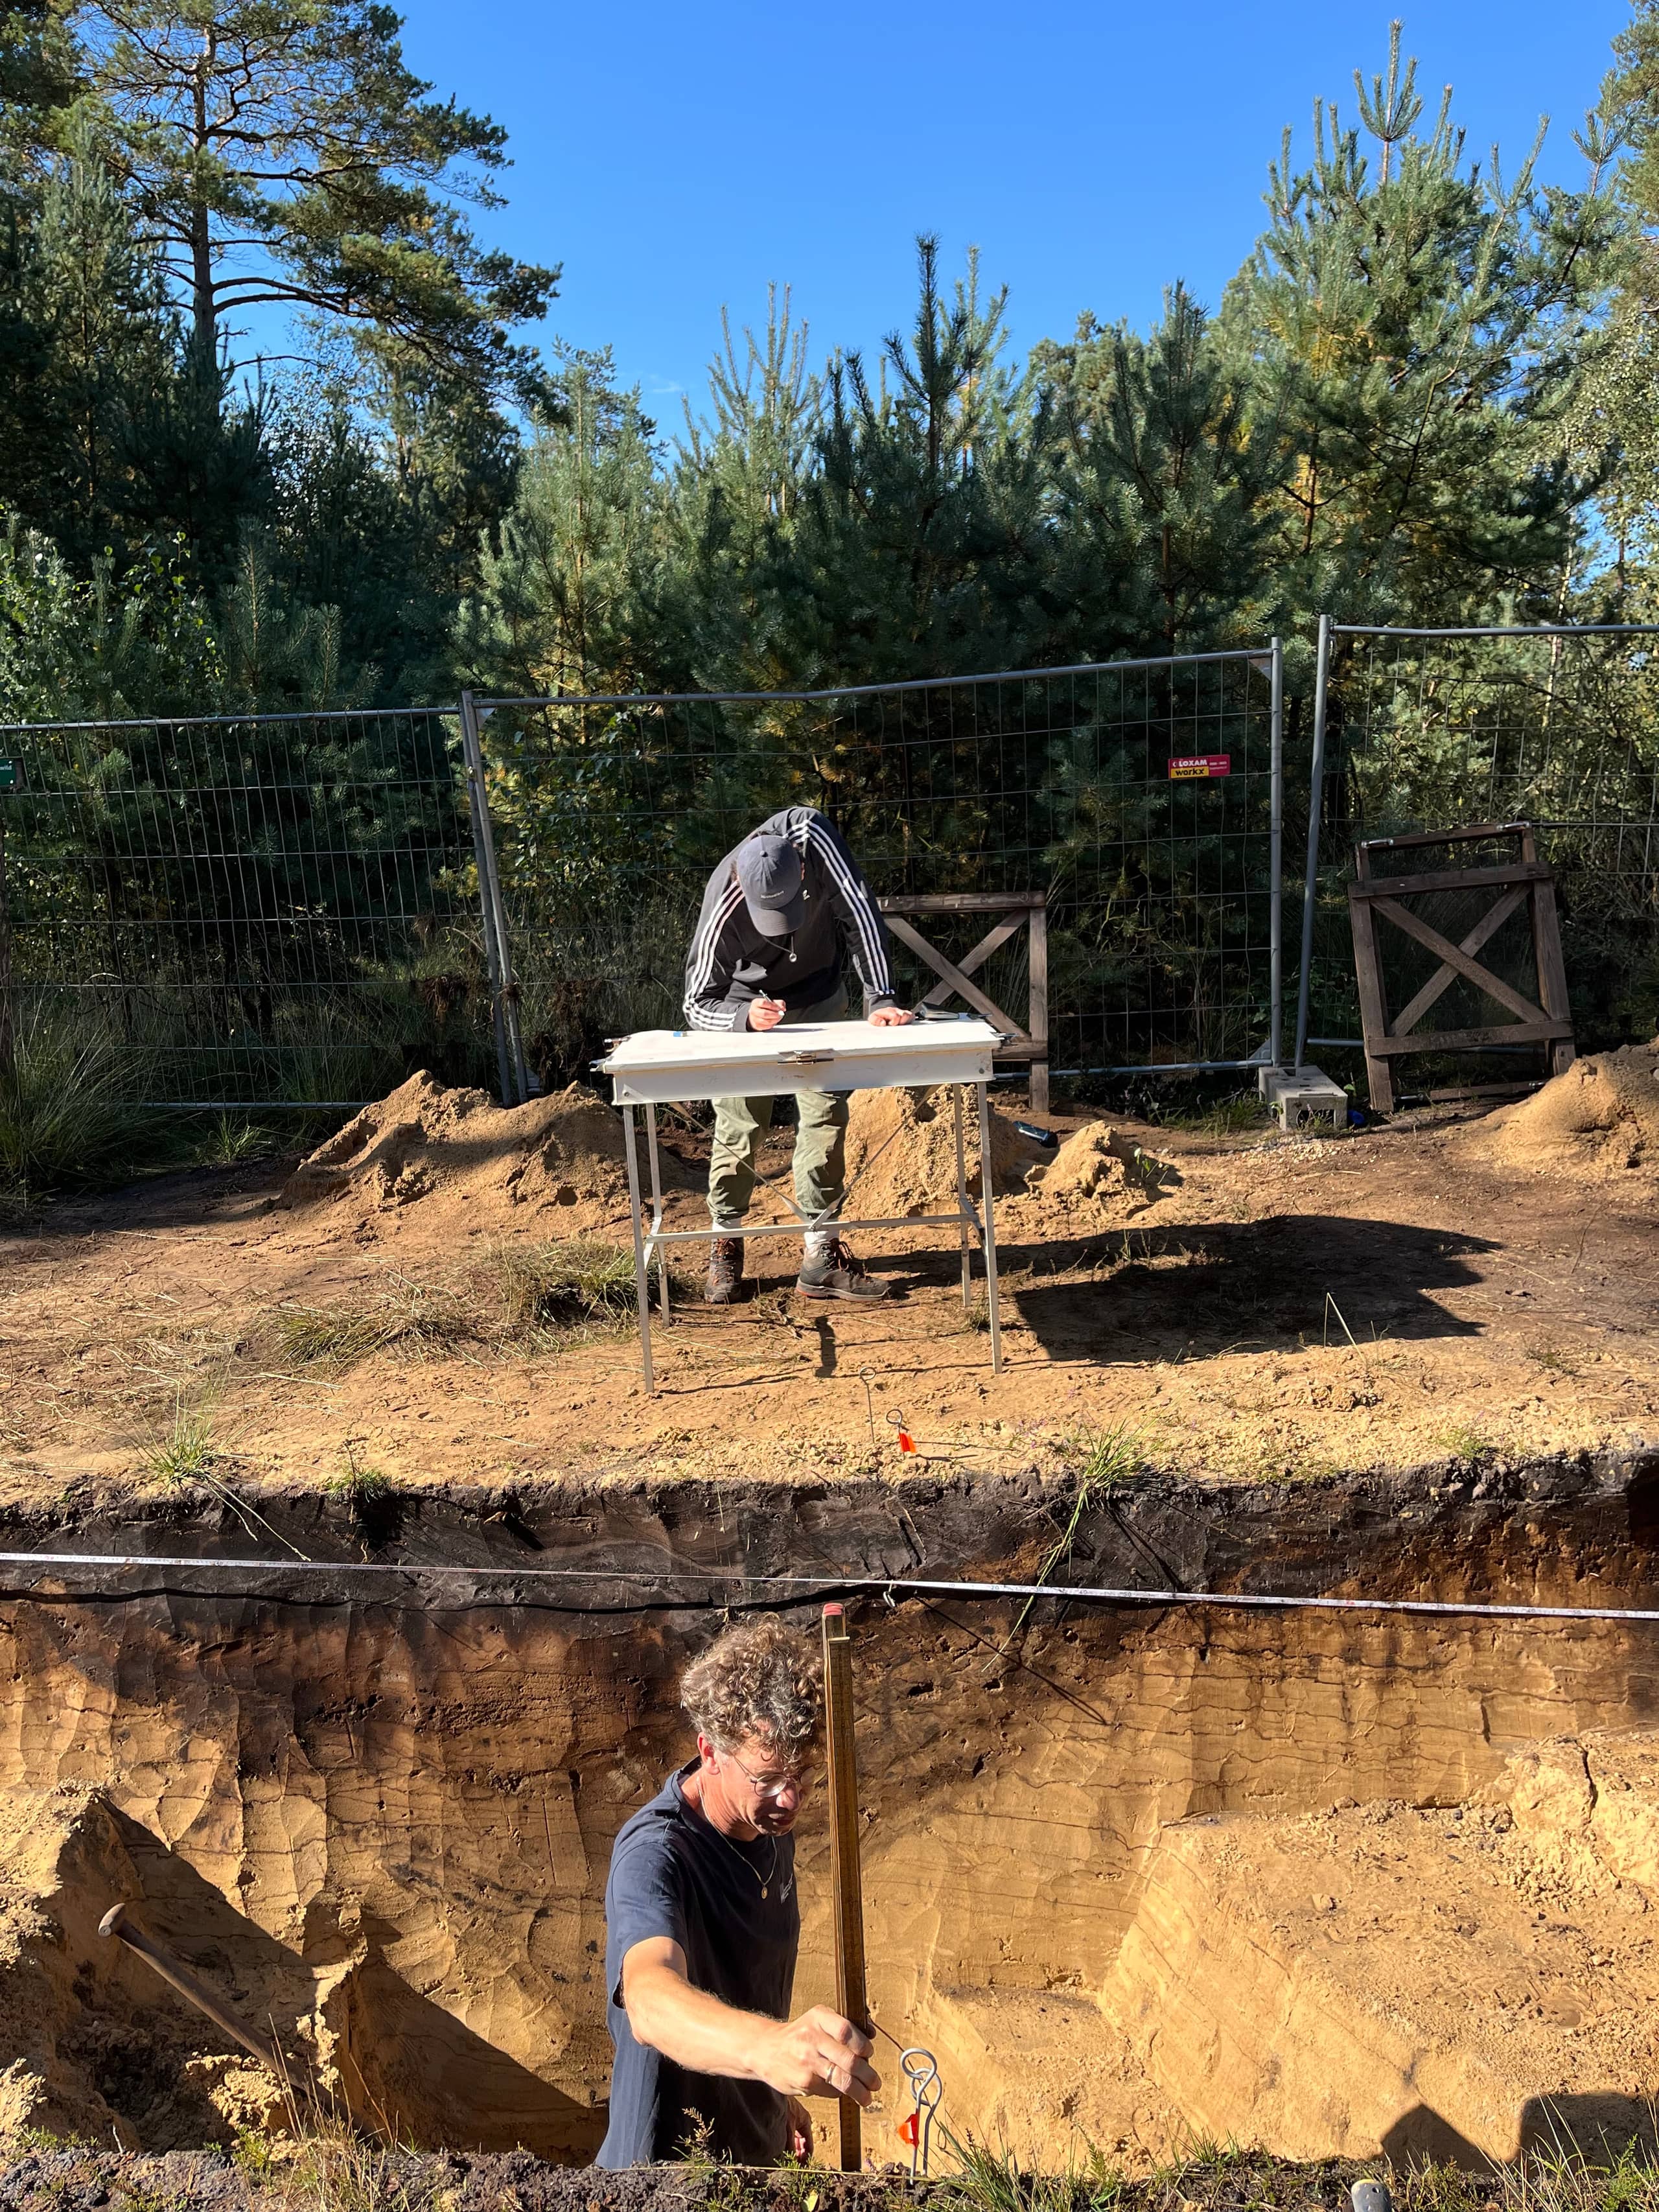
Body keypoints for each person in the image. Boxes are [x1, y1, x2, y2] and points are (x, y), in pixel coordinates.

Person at [596, 1616, 879, 2168]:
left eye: (801, 1775)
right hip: (665, 2178)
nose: (791, 1800)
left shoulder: (772, 1829)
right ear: (710, 1751)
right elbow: (651, 1998)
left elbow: (745, 1987)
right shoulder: (655, 1854)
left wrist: (770, 2102)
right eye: (767, 1778)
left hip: (754, 2163)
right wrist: (771, 2050)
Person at [684, 806, 914, 1305]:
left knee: (826, 1112)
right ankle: (726, 1239)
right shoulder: (721, 901)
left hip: (822, 995)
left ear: (804, 870)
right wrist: (743, 1018)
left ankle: (820, 1254)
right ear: (741, 888)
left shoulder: (814, 837)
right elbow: (695, 1001)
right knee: (741, 1121)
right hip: (749, 1009)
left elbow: (859, 909)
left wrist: (883, 997)